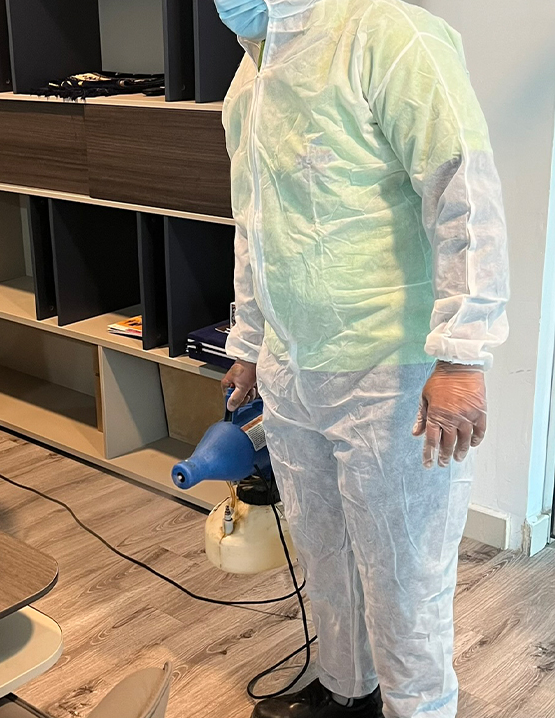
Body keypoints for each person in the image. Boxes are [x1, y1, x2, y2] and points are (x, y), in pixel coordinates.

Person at [215, 1, 510, 717]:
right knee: (324, 550)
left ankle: (418, 709)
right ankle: (347, 690)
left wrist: (462, 356)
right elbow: (254, 224)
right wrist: (249, 342)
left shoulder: (389, 36)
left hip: (392, 370)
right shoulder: (252, 72)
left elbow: (463, 195)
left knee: (406, 574)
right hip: (292, 367)